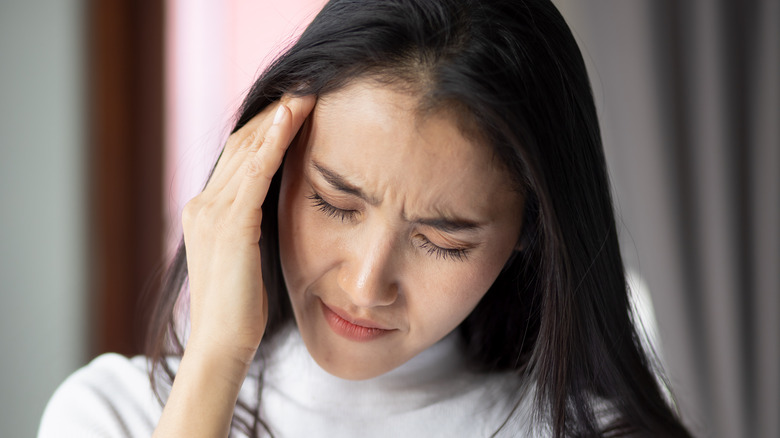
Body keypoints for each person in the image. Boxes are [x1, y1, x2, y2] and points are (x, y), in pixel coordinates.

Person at [39, 0, 693, 436]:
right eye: (335, 203)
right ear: (267, 167)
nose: (364, 286)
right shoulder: (117, 414)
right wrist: (215, 359)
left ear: (529, 237)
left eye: (441, 241)